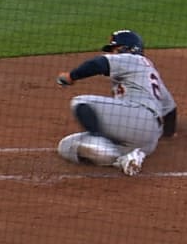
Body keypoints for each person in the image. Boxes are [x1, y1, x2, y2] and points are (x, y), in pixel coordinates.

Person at [55, 30, 177, 176]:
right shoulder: (150, 74)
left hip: (139, 118)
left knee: (81, 102)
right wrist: (167, 134)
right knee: (68, 147)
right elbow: (170, 109)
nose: (112, 54)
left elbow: (99, 64)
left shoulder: (132, 59)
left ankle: (97, 138)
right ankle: (125, 159)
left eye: (115, 50)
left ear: (128, 49)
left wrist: (71, 76)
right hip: (147, 142)